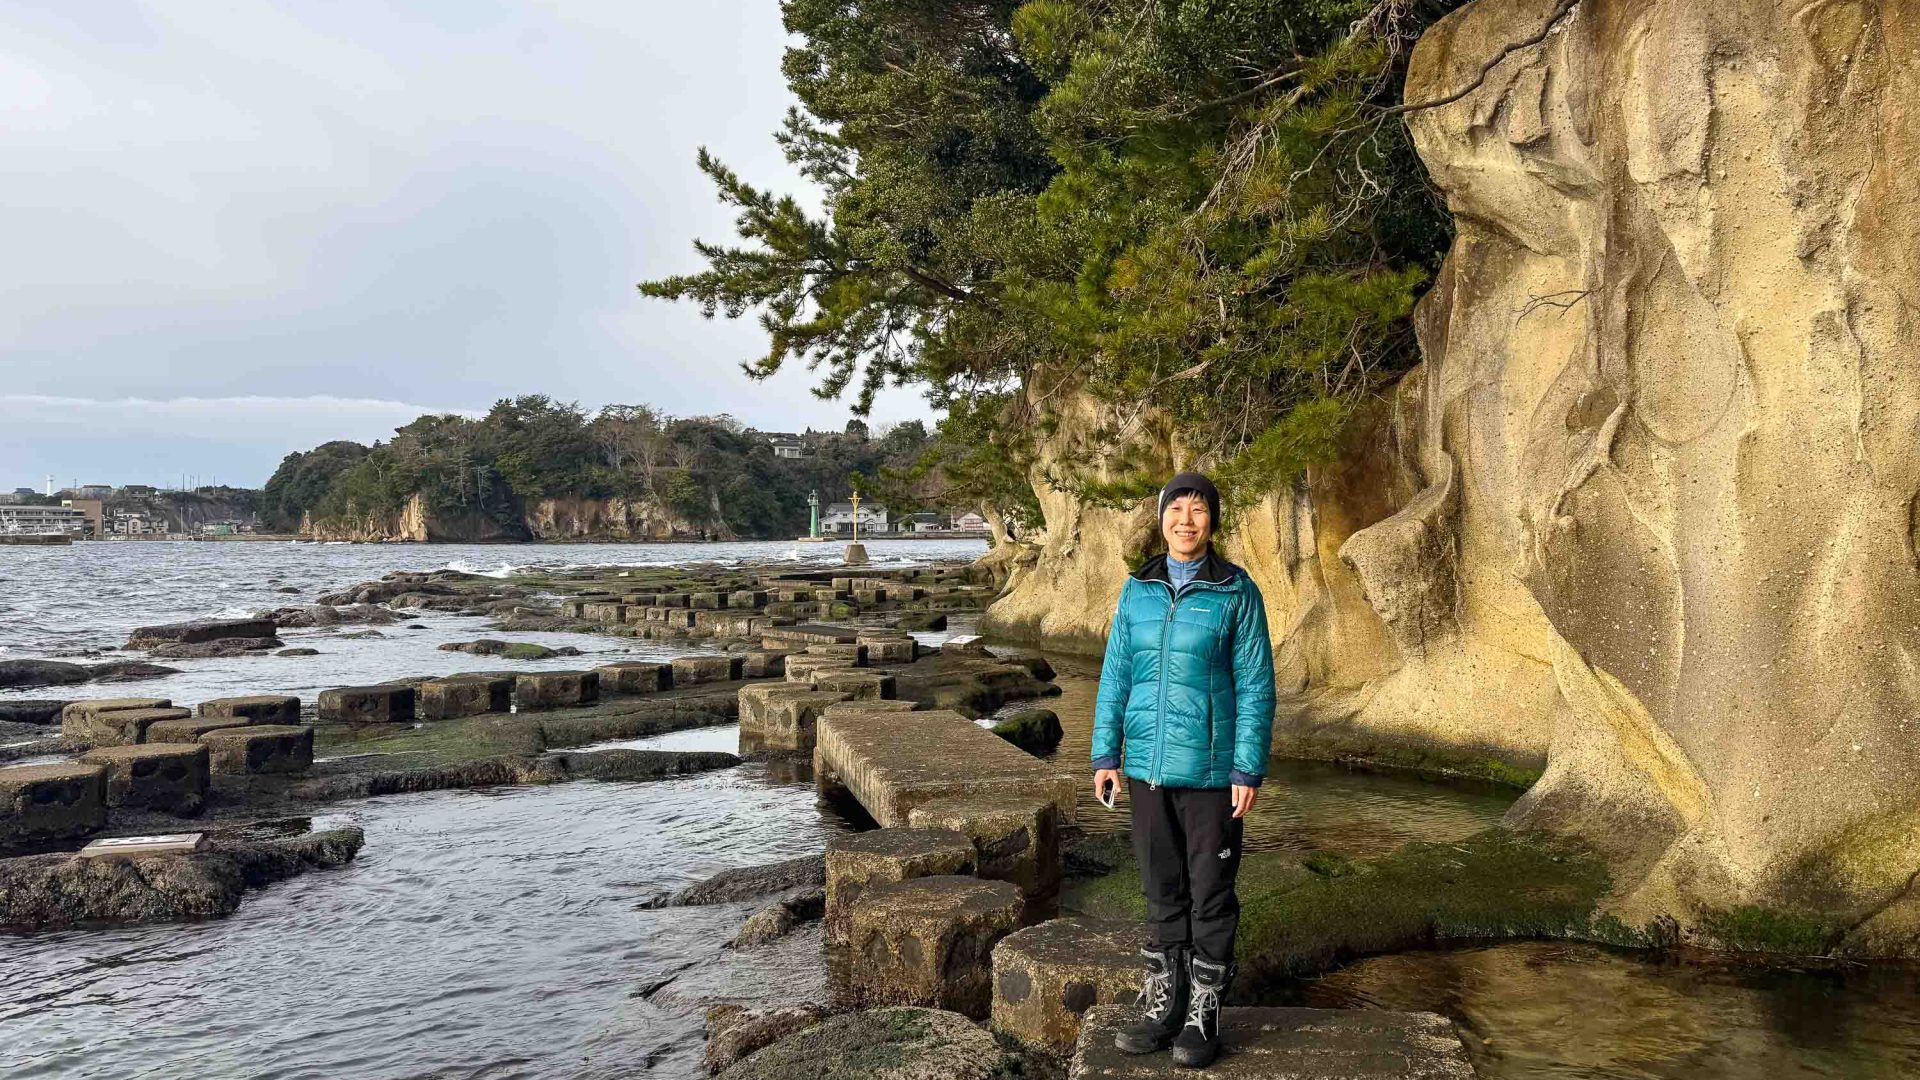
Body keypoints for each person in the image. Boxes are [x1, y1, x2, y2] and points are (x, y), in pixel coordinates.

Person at [1090, 471, 1275, 1069]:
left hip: (1213, 775)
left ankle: (1204, 1013)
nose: (1186, 521)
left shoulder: (1236, 592)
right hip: (1145, 770)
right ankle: (1163, 1004)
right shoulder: (1136, 589)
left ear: (1212, 522)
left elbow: (1255, 686)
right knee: (1160, 891)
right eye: (1177, 510)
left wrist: (1248, 768)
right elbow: (1117, 674)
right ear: (1162, 517)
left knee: (1211, 895)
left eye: (1198, 511)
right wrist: (1106, 755)